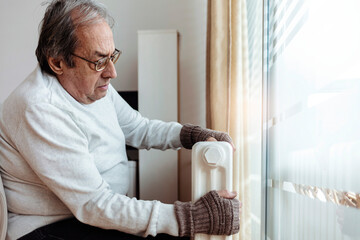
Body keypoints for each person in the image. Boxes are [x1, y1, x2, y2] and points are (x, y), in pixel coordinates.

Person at [0, 0, 240, 239]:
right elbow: (94, 204)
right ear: (58, 62)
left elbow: (139, 128)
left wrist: (190, 135)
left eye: (111, 56)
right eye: (98, 61)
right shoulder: (39, 108)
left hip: (91, 215)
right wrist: (189, 217)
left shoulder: (94, 86)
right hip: (49, 228)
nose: (112, 72)